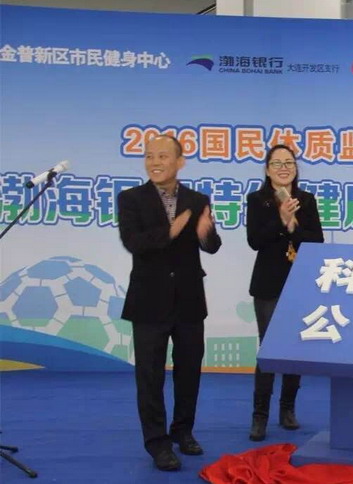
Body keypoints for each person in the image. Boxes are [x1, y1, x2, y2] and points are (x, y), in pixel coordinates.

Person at [117, 134, 221, 471]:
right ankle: (157, 443)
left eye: (162, 156)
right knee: (150, 376)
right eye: (149, 156)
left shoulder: (197, 199)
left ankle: (183, 431)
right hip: (149, 300)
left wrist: (205, 232)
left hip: (189, 299)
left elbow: (212, 245)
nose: (155, 162)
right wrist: (171, 231)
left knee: (189, 371)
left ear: (180, 161)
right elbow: (133, 242)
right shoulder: (131, 198)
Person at [246, 144, 324, 441]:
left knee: (294, 349)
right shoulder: (257, 200)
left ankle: (287, 408)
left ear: (295, 168)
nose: (283, 168)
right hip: (268, 284)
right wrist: (280, 220)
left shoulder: (306, 200)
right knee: (269, 349)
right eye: (277, 163)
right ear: (267, 170)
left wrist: (294, 227)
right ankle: (259, 416)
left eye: (289, 162)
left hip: (299, 283)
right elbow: (255, 240)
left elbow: (316, 242)